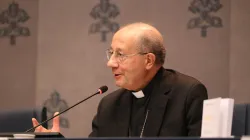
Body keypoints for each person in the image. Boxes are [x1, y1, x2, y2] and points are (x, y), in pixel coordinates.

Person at [32, 22, 208, 137]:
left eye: (121, 55)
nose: (110, 63)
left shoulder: (188, 94)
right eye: (111, 53)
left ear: (148, 60)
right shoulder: (110, 104)